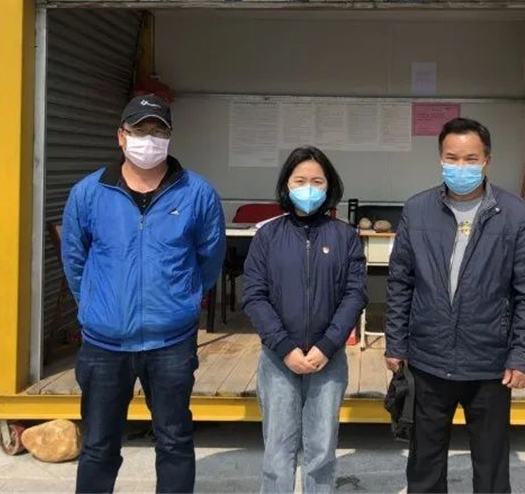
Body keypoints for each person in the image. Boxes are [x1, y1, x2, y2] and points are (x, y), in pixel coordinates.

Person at [62, 93, 225, 494]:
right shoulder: (89, 192)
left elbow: (209, 260)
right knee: (98, 444)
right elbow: (75, 259)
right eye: (139, 130)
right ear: (121, 136)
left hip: (171, 341)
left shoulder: (197, 193)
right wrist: (97, 304)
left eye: (158, 131)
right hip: (104, 344)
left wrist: (183, 300)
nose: (148, 139)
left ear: (170, 137)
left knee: (175, 440)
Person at [385, 118, 525, 494]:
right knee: (424, 464)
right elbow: (400, 282)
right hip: (428, 358)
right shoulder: (418, 210)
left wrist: (524, 355)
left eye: (470, 159)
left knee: (491, 467)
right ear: (440, 159)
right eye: (452, 158)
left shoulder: (516, 214)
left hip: (489, 362)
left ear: (487, 159)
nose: (461, 167)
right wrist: (395, 343)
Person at [242, 146, 368, 493]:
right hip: (278, 358)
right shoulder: (268, 236)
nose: (308, 187)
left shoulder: (345, 236)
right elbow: (254, 295)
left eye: (317, 181)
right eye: (300, 180)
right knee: (277, 450)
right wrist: (284, 346)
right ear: (286, 185)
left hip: (328, 359)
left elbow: (355, 294)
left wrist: (328, 345)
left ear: (329, 186)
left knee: (321, 450)